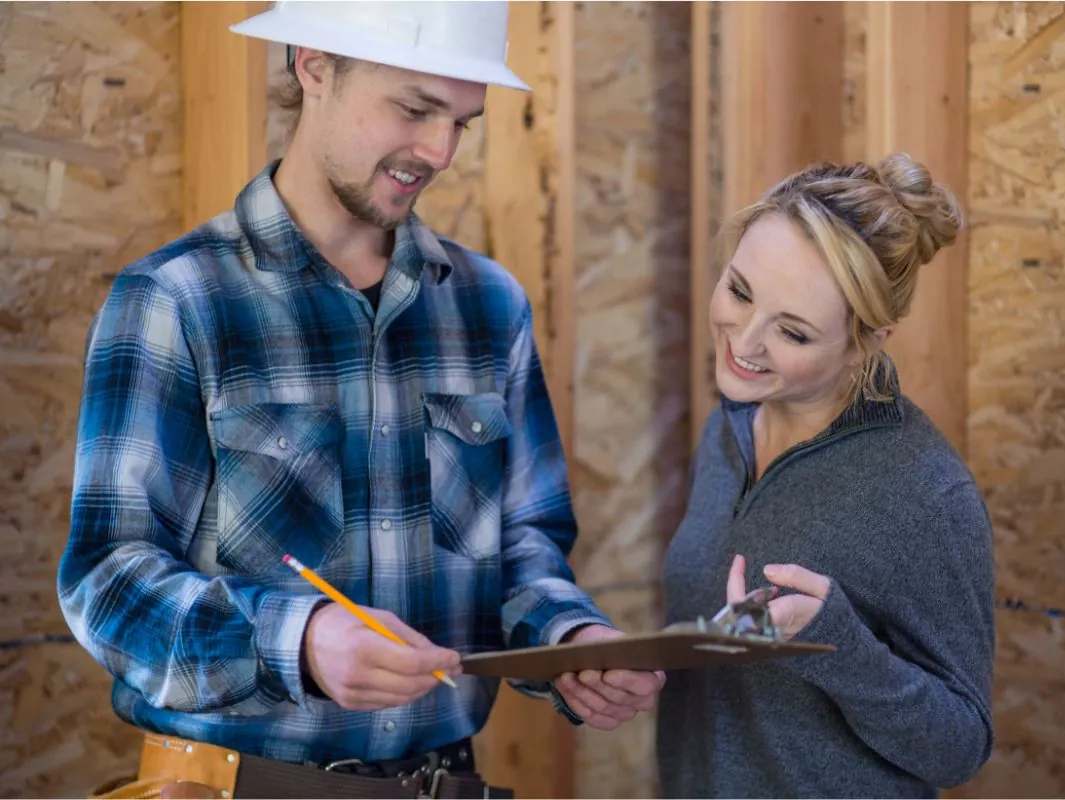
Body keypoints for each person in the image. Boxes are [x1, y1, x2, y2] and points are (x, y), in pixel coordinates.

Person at [58, 2, 663, 798]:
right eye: (414, 108)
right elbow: (109, 581)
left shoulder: (489, 306)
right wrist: (300, 640)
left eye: (461, 121)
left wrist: (570, 639)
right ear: (314, 63)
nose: (439, 151)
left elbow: (524, 548)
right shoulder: (178, 300)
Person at [656, 154, 995, 798]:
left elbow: (960, 748)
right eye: (738, 291)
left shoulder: (925, 492)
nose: (745, 342)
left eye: (793, 332)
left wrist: (836, 644)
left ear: (868, 340)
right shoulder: (728, 430)